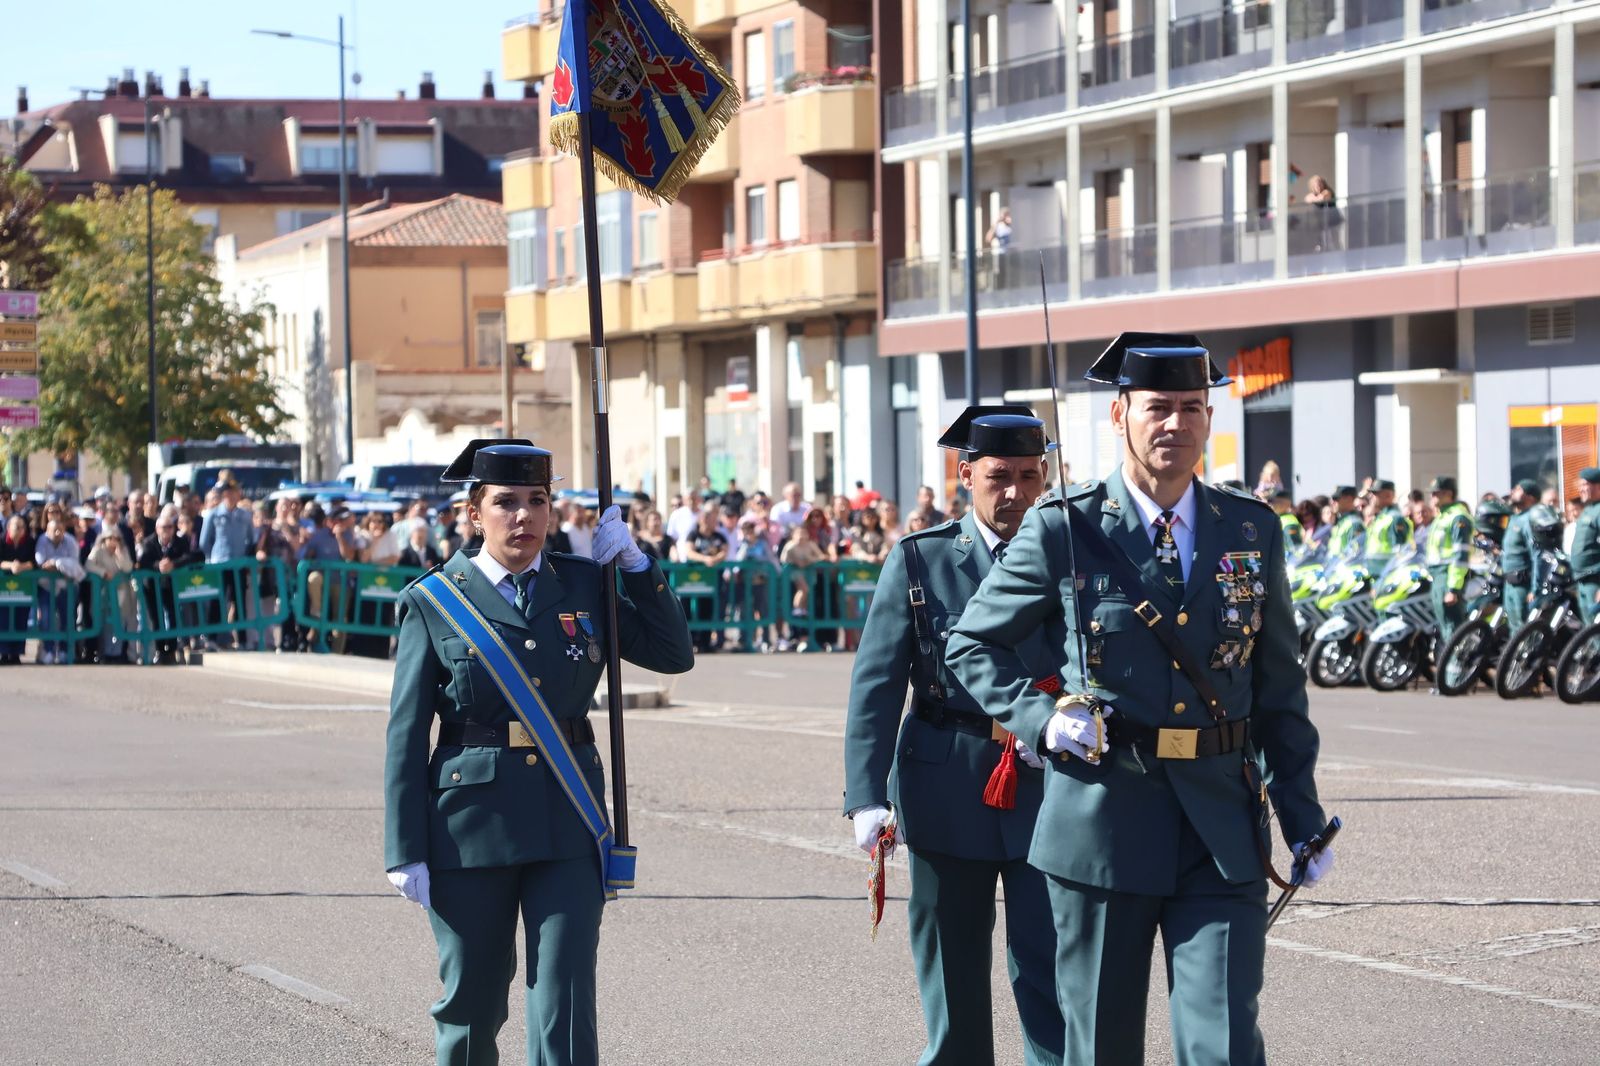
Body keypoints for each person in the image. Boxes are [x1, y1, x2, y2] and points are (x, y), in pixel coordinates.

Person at [947, 333, 1331, 1066]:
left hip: (1220, 824)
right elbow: (972, 643)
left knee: (1223, 1042)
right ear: (1120, 414)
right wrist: (1042, 718)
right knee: (1102, 1046)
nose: (1176, 423)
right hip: (1103, 820)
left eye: (1192, 407)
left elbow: (1279, 688)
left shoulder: (1251, 527)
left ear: (1209, 419)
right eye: (1158, 407)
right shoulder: (1065, 526)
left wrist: (1302, 818)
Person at [383, 439, 693, 1066]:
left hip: (568, 817)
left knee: (566, 1003)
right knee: (472, 1004)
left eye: (537, 500)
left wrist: (636, 567)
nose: (523, 515)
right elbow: (407, 733)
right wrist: (404, 847)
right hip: (470, 828)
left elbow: (672, 653)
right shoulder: (434, 599)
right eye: (506, 502)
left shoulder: (583, 584)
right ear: (475, 513)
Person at [845, 404, 1066, 1066]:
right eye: (999, 476)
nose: (1016, 493)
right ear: (965, 474)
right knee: (952, 967)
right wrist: (865, 795)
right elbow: (878, 683)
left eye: (1029, 477)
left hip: (1049, 781)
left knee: (1052, 964)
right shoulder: (922, 560)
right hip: (947, 780)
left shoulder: (1071, 556)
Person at [137, 512, 203, 664]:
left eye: (170, 527)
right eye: (164, 527)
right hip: (152, 587)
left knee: (173, 617)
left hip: (172, 585)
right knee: (156, 618)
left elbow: (190, 556)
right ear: (157, 529)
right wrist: (158, 566)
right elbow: (144, 561)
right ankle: (160, 650)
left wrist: (173, 564)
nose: (167, 530)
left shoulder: (181, 541)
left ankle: (172, 650)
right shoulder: (149, 542)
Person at [1423, 477, 1474, 642]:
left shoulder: (1458, 517)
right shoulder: (1443, 516)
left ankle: (1456, 659)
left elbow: (1461, 556)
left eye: (1436, 493)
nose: (1432, 497)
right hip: (1438, 576)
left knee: (1452, 627)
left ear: (1449, 494)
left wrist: (1453, 588)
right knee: (1445, 626)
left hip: (1448, 576)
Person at [1501, 478, 1540, 631]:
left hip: (1523, 583)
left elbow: (1536, 554)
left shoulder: (1530, 519)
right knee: (1513, 627)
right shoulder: (1514, 518)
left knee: (1522, 629)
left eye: (1518, 489)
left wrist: (1534, 589)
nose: (1512, 491)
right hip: (1509, 582)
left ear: (1530, 497)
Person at [0, 514, 37, 664]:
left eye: (23, 527)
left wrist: (22, 566)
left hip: (24, 588)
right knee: (3, 619)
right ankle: (4, 653)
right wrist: (11, 565)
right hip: (4, 589)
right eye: (17, 526)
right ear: (9, 527)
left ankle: (16, 653)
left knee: (21, 619)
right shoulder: (1, 541)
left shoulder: (30, 542)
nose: (20, 529)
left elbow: (35, 561)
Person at [1569, 469, 1600, 625]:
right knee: (1589, 629)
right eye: (1580, 485)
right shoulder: (1588, 510)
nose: (1581, 489)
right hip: (1582, 579)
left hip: (1595, 579)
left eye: (1585, 485)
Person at [1362, 479, 1413, 571]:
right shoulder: (1381, 517)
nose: (1371, 497)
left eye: (1375, 494)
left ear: (1388, 495)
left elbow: (1399, 551)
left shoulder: (1395, 519)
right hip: (1374, 570)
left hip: (1386, 571)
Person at [1325, 485, 1365, 561]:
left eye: (1336, 499)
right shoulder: (1341, 522)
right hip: (1333, 566)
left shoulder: (1354, 524)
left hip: (1343, 566)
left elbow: (1355, 554)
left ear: (1349, 499)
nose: (1332, 502)